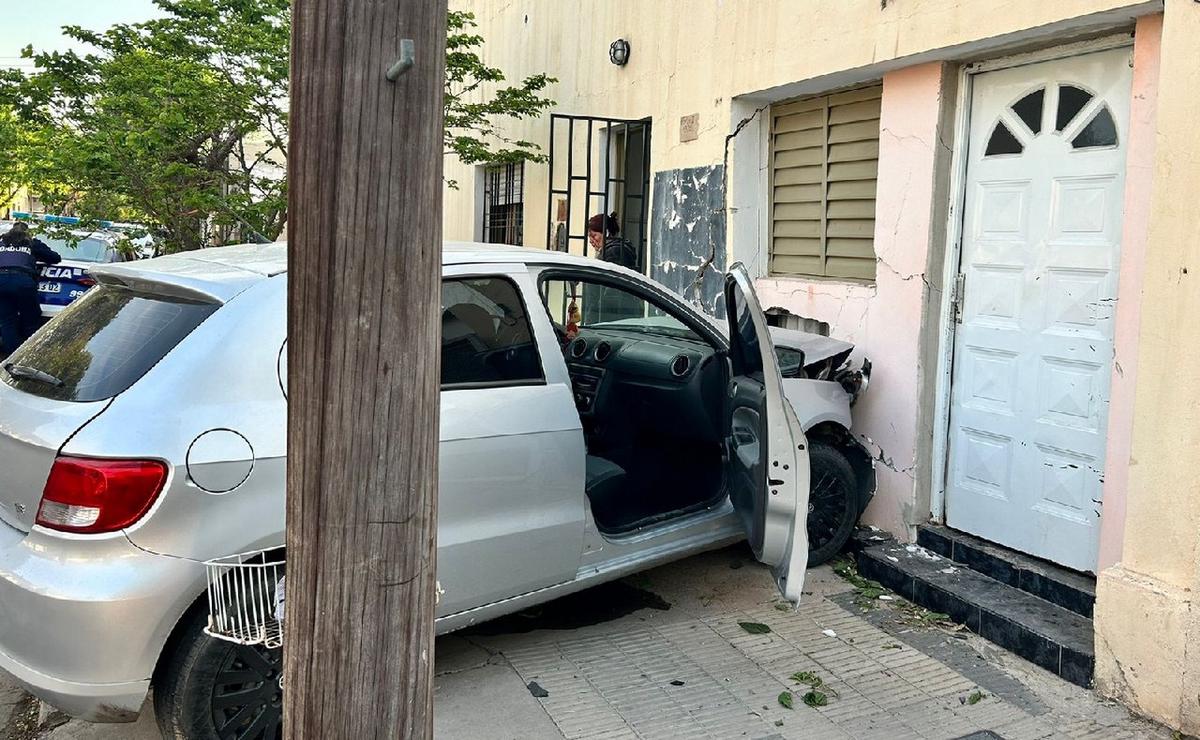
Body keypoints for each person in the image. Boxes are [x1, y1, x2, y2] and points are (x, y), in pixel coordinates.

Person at [0, 222, 60, 355]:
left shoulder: (1, 242)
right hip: (23, 282)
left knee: (6, 321)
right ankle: (32, 354)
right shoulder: (31, 242)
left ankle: (11, 358)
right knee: (31, 320)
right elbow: (55, 258)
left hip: (1, 281)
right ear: (27, 232)